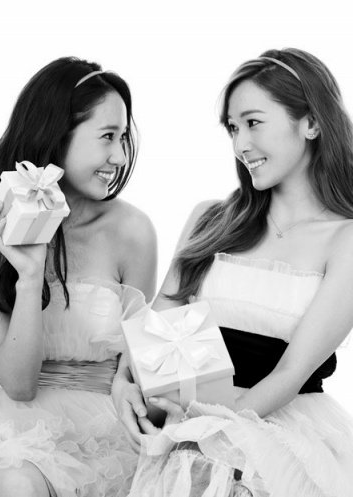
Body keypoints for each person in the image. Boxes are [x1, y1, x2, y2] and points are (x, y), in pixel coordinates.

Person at [112, 48, 353, 496]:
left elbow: (290, 373)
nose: (241, 145)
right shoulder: (211, 219)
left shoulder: (345, 239)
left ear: (312, 123)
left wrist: (201, 433)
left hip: (278, 433)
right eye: (232, 128)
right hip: (186, 428)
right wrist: (124, 383)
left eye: (253, 122)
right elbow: (157, 330)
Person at [0, 57, 157, 497]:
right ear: (56, 133)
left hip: (102, 435)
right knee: (13, 481)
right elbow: (19, 384)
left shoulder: (132, 232)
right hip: (2, 430)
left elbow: (138, 365)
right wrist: (29, 275)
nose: (120, 157)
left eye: (123, 137)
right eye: (107, 136)